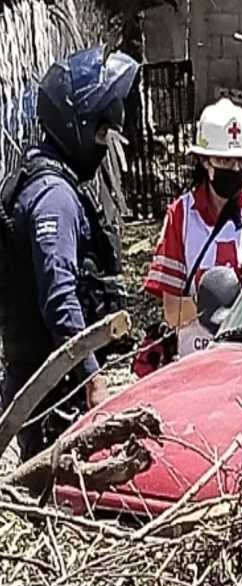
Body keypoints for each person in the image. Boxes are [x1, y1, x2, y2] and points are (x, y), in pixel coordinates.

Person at [0, 47, 139, 460]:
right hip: (52, 394)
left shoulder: (44, 175)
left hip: (48, 382)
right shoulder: (54, 198)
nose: (105, 144)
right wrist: (92, 379)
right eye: (100, 133)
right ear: (75, 125)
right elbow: (59, 295)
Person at [143, 98, 242, 338]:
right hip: (196, 359)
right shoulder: (181, 215)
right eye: (224, 160)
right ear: (204, 160)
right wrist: (210, 309)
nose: (234, 169)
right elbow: (171, 310)